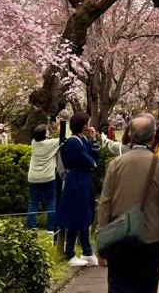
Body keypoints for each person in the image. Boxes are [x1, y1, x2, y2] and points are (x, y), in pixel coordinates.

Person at [96, 114, 159, 293]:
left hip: (119, 237)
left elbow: (105, 204)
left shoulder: (115, 164)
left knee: (119, 286)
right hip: (151, 238)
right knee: (147, 287)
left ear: (130, 135)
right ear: (153, 135)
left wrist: (101, 244)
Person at [56, 112, 100, 265]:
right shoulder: (74, 142)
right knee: (77, 215)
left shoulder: (84, 140)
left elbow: (94, 158)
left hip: (83, 180)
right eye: (87, 123)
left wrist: (94, 140)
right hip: (76, 181)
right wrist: (91, 162)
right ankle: (70, 253)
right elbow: (89, 161)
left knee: (84, 214)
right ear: (83, 125)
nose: (89, 125)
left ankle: (86, 251)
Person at [27, 123, 60, 231]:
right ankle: (51, 228)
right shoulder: (52, 143)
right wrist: (58, 127)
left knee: (33, 203)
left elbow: (42, 134)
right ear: (45, 134)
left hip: (33, 177)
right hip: (48, 177)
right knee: (51, 202)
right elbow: (64, 138)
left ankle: (31, 227)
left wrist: (49, 125)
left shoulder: (34, 143)